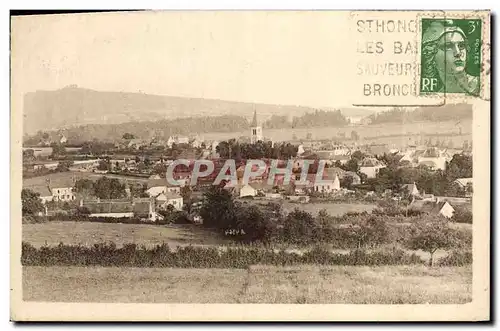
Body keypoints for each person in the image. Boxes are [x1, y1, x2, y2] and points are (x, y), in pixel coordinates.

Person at [421, 19, 479, 95]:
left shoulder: (482, 85)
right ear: (431, 56)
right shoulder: (436, 96)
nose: (458, 53)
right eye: (448, 46)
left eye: (461, 46)